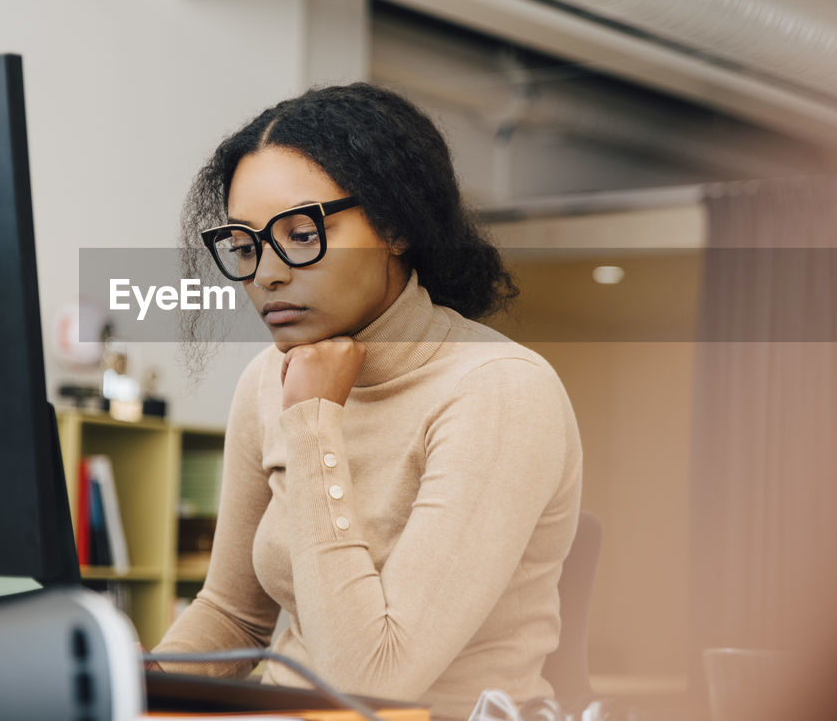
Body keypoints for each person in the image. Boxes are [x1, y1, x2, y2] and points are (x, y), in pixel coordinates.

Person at [156, 83, 583, 721]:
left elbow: (369, 681)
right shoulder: (266, 380)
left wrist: (312, 427)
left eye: (301, 235)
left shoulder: (499, 390)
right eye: (244, 247)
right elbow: (234, 615)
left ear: (394, 225)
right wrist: (117, 686)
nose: (266, 274)